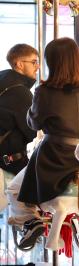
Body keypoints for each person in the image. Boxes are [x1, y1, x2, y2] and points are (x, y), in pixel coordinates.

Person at [15, 38, 79, 250]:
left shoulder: (45, 91)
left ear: (52, 62)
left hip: (54, 161)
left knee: (14, 190)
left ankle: (31, 220)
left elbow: (34, 122)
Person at [0, 44, 39, 176]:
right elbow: (33, 132)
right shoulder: (19, 92)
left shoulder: (5, 83)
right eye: (34, 62)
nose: (37, 67)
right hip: (10, 165)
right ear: (19, 64)